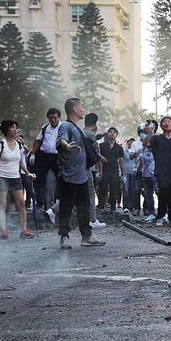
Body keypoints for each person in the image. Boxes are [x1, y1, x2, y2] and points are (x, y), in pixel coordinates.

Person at [56, 98, 105, 249]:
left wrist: (97, 157)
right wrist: (68, 147)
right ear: (74, 109)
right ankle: (64, 237)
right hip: (69, 175)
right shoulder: (65, 125)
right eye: (81, 106)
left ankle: (86, 236)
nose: (83, 109)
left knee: (84, 207)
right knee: (66, 207)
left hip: (82, 175)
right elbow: (62, 140)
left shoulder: (77, 128)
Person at [0, 120, 35, 239]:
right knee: (3, 203)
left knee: (21, 203)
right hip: (2, 177)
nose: (15, 130)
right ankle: (4, 230)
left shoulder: (19, 145)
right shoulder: (0, 145)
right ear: (6, 130)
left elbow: (20, 162)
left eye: (16, 127)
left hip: (15, 177)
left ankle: (24, 229)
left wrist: (27, 173)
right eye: (12, 128)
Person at [144, 116, 171, 226]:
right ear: (161, 125)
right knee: (163, 194)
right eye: (164, 122)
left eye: (169, 122)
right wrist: (149, 132)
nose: (166, 123)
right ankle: (160, 216)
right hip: (161, 170)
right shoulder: (156, 138)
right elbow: (146, 144)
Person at [32, 108, 61, 210]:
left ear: (59, 117)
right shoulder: (45, 127)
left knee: (61, 179)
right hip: (44, 156)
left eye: (55, 118)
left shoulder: (63, 127)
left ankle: (58, 203)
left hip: (57, 157)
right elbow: (38, 141)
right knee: (39, 179)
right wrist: (33, 154)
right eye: (50, 118)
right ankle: (40, 203)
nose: (53, 120)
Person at [98, 127, 125, 215]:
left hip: (115, 171)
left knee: (114, 190)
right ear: (107, 134)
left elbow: (121, 161)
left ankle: (112, 208)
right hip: (105, 170)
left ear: (116, 135)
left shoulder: (119, 148)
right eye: (110, 132)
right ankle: (100, 207)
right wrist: (100, 172)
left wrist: (123, 174)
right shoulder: (102, 146)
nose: (112, 133)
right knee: (102, 189)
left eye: (114, 132)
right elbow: (100, 160)